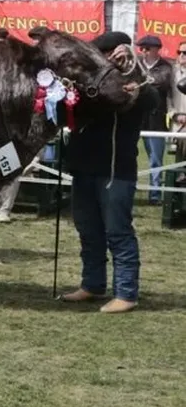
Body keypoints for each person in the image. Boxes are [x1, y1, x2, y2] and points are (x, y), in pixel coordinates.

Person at [63, 31, 157, 314]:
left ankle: (127, 293)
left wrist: (131, 68)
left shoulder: (132, 80)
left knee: (118, 232)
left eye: (104, 54)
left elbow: (151, 98)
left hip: (116, 170)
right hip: (84, 166)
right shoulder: (86, 83)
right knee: (88, 230)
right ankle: (92, 284)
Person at [136, 35, 173, 205]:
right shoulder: (136, 64)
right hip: (137, 116)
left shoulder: (166, 67)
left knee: (155, 157)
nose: (143, 51)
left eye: (146, 48)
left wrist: (141, 81)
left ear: (156, 49)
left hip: (157, 117)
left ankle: (155, 193)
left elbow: (161, 82)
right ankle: (130, 188)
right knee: (130, 153)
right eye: (141, 48)